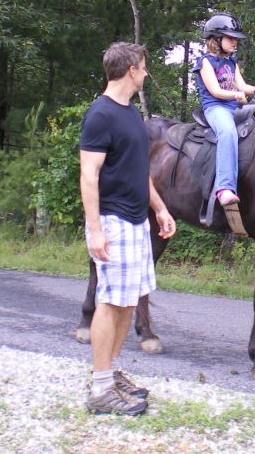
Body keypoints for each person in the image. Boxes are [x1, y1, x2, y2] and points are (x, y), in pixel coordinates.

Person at [79, 41, 176, 416]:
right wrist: (95, 229)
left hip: (137, 220)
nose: (147, 73)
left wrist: (161, 209)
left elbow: (139, 171)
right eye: (145, 67)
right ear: (131, 69)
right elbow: (89, 175)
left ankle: (110, 373)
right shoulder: (100, 114)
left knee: (126, 302)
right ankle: (101, 388)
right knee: (110, 301)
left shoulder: (131, 113)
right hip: (113, 221)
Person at [192, 13, 255, 206]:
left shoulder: (231, 62)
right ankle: (224, 188)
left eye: (236, 39)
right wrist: (234, 95)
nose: (235, 42)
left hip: (234, 108)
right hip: (215, 108)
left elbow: (242, 86)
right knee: (227, 132)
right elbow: (215, 91)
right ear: (217, 39)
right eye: (231, 38)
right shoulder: (205, 62)